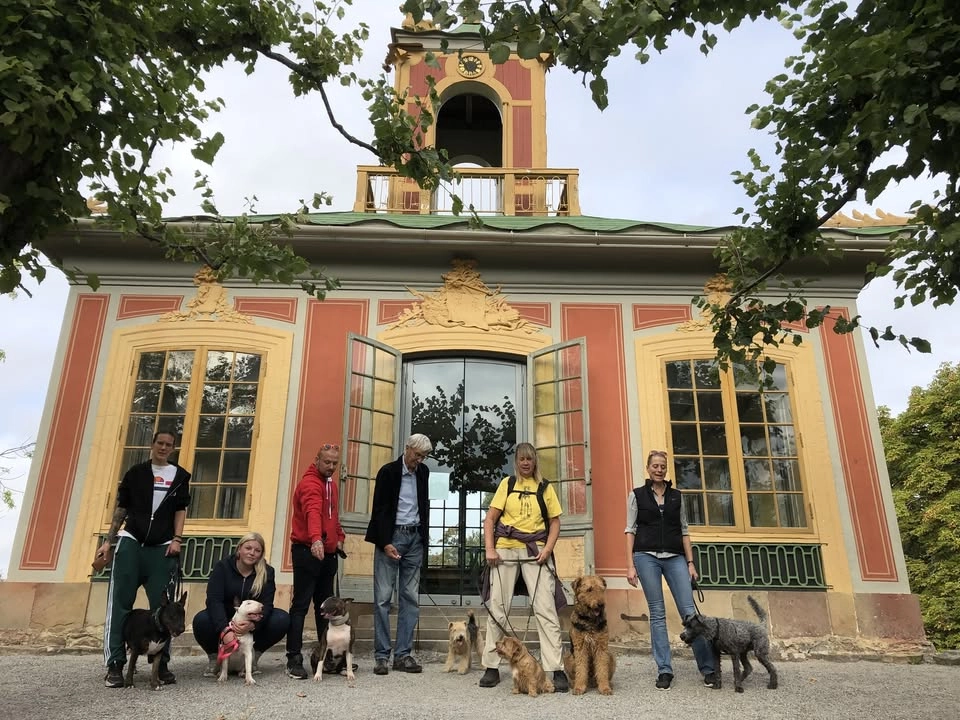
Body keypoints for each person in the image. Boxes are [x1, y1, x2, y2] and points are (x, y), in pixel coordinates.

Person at [96, 429, 191, 688]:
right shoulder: (135, 473)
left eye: (168, 444)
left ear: (173, 448)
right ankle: (115, 664)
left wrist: (177, 539)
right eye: (159, 443)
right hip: (132, 542)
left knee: (165, 610)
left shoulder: (180, 476)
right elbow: (121, 508)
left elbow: (181, 510)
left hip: (162, 547)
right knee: (120, 604)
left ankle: (161, 664)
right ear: (152, 444)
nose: (163, 447)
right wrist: (110, 540)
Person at [478, 442, 569, 693]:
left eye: (530, 459)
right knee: (498, 605)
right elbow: (490, 519)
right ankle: (491, 666)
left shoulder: (545, 488)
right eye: (522, 459)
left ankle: (556, 668)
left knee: (545, 609)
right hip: (505, 548)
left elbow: (555, 522)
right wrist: (490, 549)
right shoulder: (507, 485)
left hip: (536, 550)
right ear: (516, 462)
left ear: (535, 461)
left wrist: (548, 550)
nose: (526, 463)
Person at [625, 449, 717, 690]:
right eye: (655, 465)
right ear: (648, 468)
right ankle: (664, 670)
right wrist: (630, 565)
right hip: (646, 557)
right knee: (657, 613)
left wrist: (691, 563)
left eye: (662, 466)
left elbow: (685, 530)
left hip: (675, 557)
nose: (659, 469)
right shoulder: (636, 495)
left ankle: (708, 669)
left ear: (666, 469)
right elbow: (630, 530)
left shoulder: (677, 496)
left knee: (690, 613)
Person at [364, 433, 432, 676]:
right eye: (417, 455)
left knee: (410, 597)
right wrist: (384, 542)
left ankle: (403, 654)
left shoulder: (423, 473)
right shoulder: (388, 472)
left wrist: (424, 538)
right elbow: (379, 510)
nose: (419, 461)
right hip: (392, 536)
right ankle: (382, 656)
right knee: (383, 598)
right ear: (407, 449)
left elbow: (424, 505)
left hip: (414, 538)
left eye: (423, 457)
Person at [285, 443, 347, 679]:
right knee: (300, 605)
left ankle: (328, 657)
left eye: (334, 463)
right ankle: (294, 658)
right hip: (307, 551)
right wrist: (315, 540)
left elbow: (332, 515)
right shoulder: (310, 483)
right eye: (327, 462)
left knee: (326, 610)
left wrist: (338, 536)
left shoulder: (330, 484)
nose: (331, 467)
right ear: (316, 460)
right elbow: (313, 512)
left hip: (327, 554)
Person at [192, 531, 290, 676]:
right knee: (201, 620)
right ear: (239, 549)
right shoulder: (222, 567)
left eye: (257, 550)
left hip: (251, 621)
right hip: (225, 617)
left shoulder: (267, 572)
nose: (252, 553)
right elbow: (214, 600)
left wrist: (254, 625)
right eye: (248, 548)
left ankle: (253, 656)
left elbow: (267, 604)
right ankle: (215, 657)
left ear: (261, 554)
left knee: (281, 619)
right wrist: (224, 629)